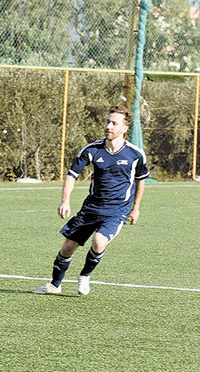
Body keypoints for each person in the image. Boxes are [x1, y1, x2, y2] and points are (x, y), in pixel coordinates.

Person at [34, 105, 149, 296]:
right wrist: (65, 201)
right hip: (91, 209)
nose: (108, 126)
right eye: (107, 121)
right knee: (67, 248)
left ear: (124, 128)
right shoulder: (92, 150)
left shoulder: (135, 154)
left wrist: (135, 208)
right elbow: (71, 175)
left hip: (117, 210)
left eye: (114, 123)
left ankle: (85, 275)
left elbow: (141, 181)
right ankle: (55, 285)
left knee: (98, 241)